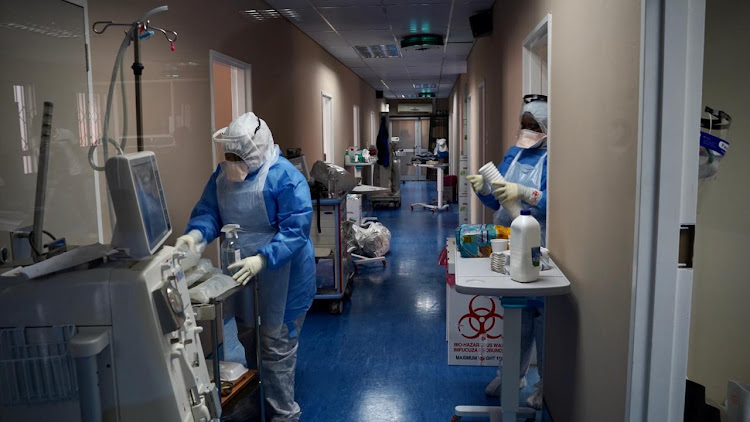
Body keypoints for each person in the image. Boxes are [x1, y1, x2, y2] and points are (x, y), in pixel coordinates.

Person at [175, 112, 315, 422]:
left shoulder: (285, 178)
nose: (231, 161)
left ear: (256, 151)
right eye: (228, 155)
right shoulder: (222, 177)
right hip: (240, 270)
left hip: (283, 271)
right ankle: (263, 392)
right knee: (249, 333)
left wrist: (263, 258)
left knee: (275, 342)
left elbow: (296, 230)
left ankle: (283, 413)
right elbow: (210, 212)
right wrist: (195, 235)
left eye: (238, 156)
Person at [466, 95, 548, 408]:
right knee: (516, 314)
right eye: (524, 125)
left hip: (538, 244)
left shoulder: (554, 159)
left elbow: (552, 200)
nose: (527, 131)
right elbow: (497, 202)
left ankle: (546, 385)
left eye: (534, 126)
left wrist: (525, 192)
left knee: (541, 317)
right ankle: (513, 374)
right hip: (507, 239)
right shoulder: (513, 155)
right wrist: (484, 189)